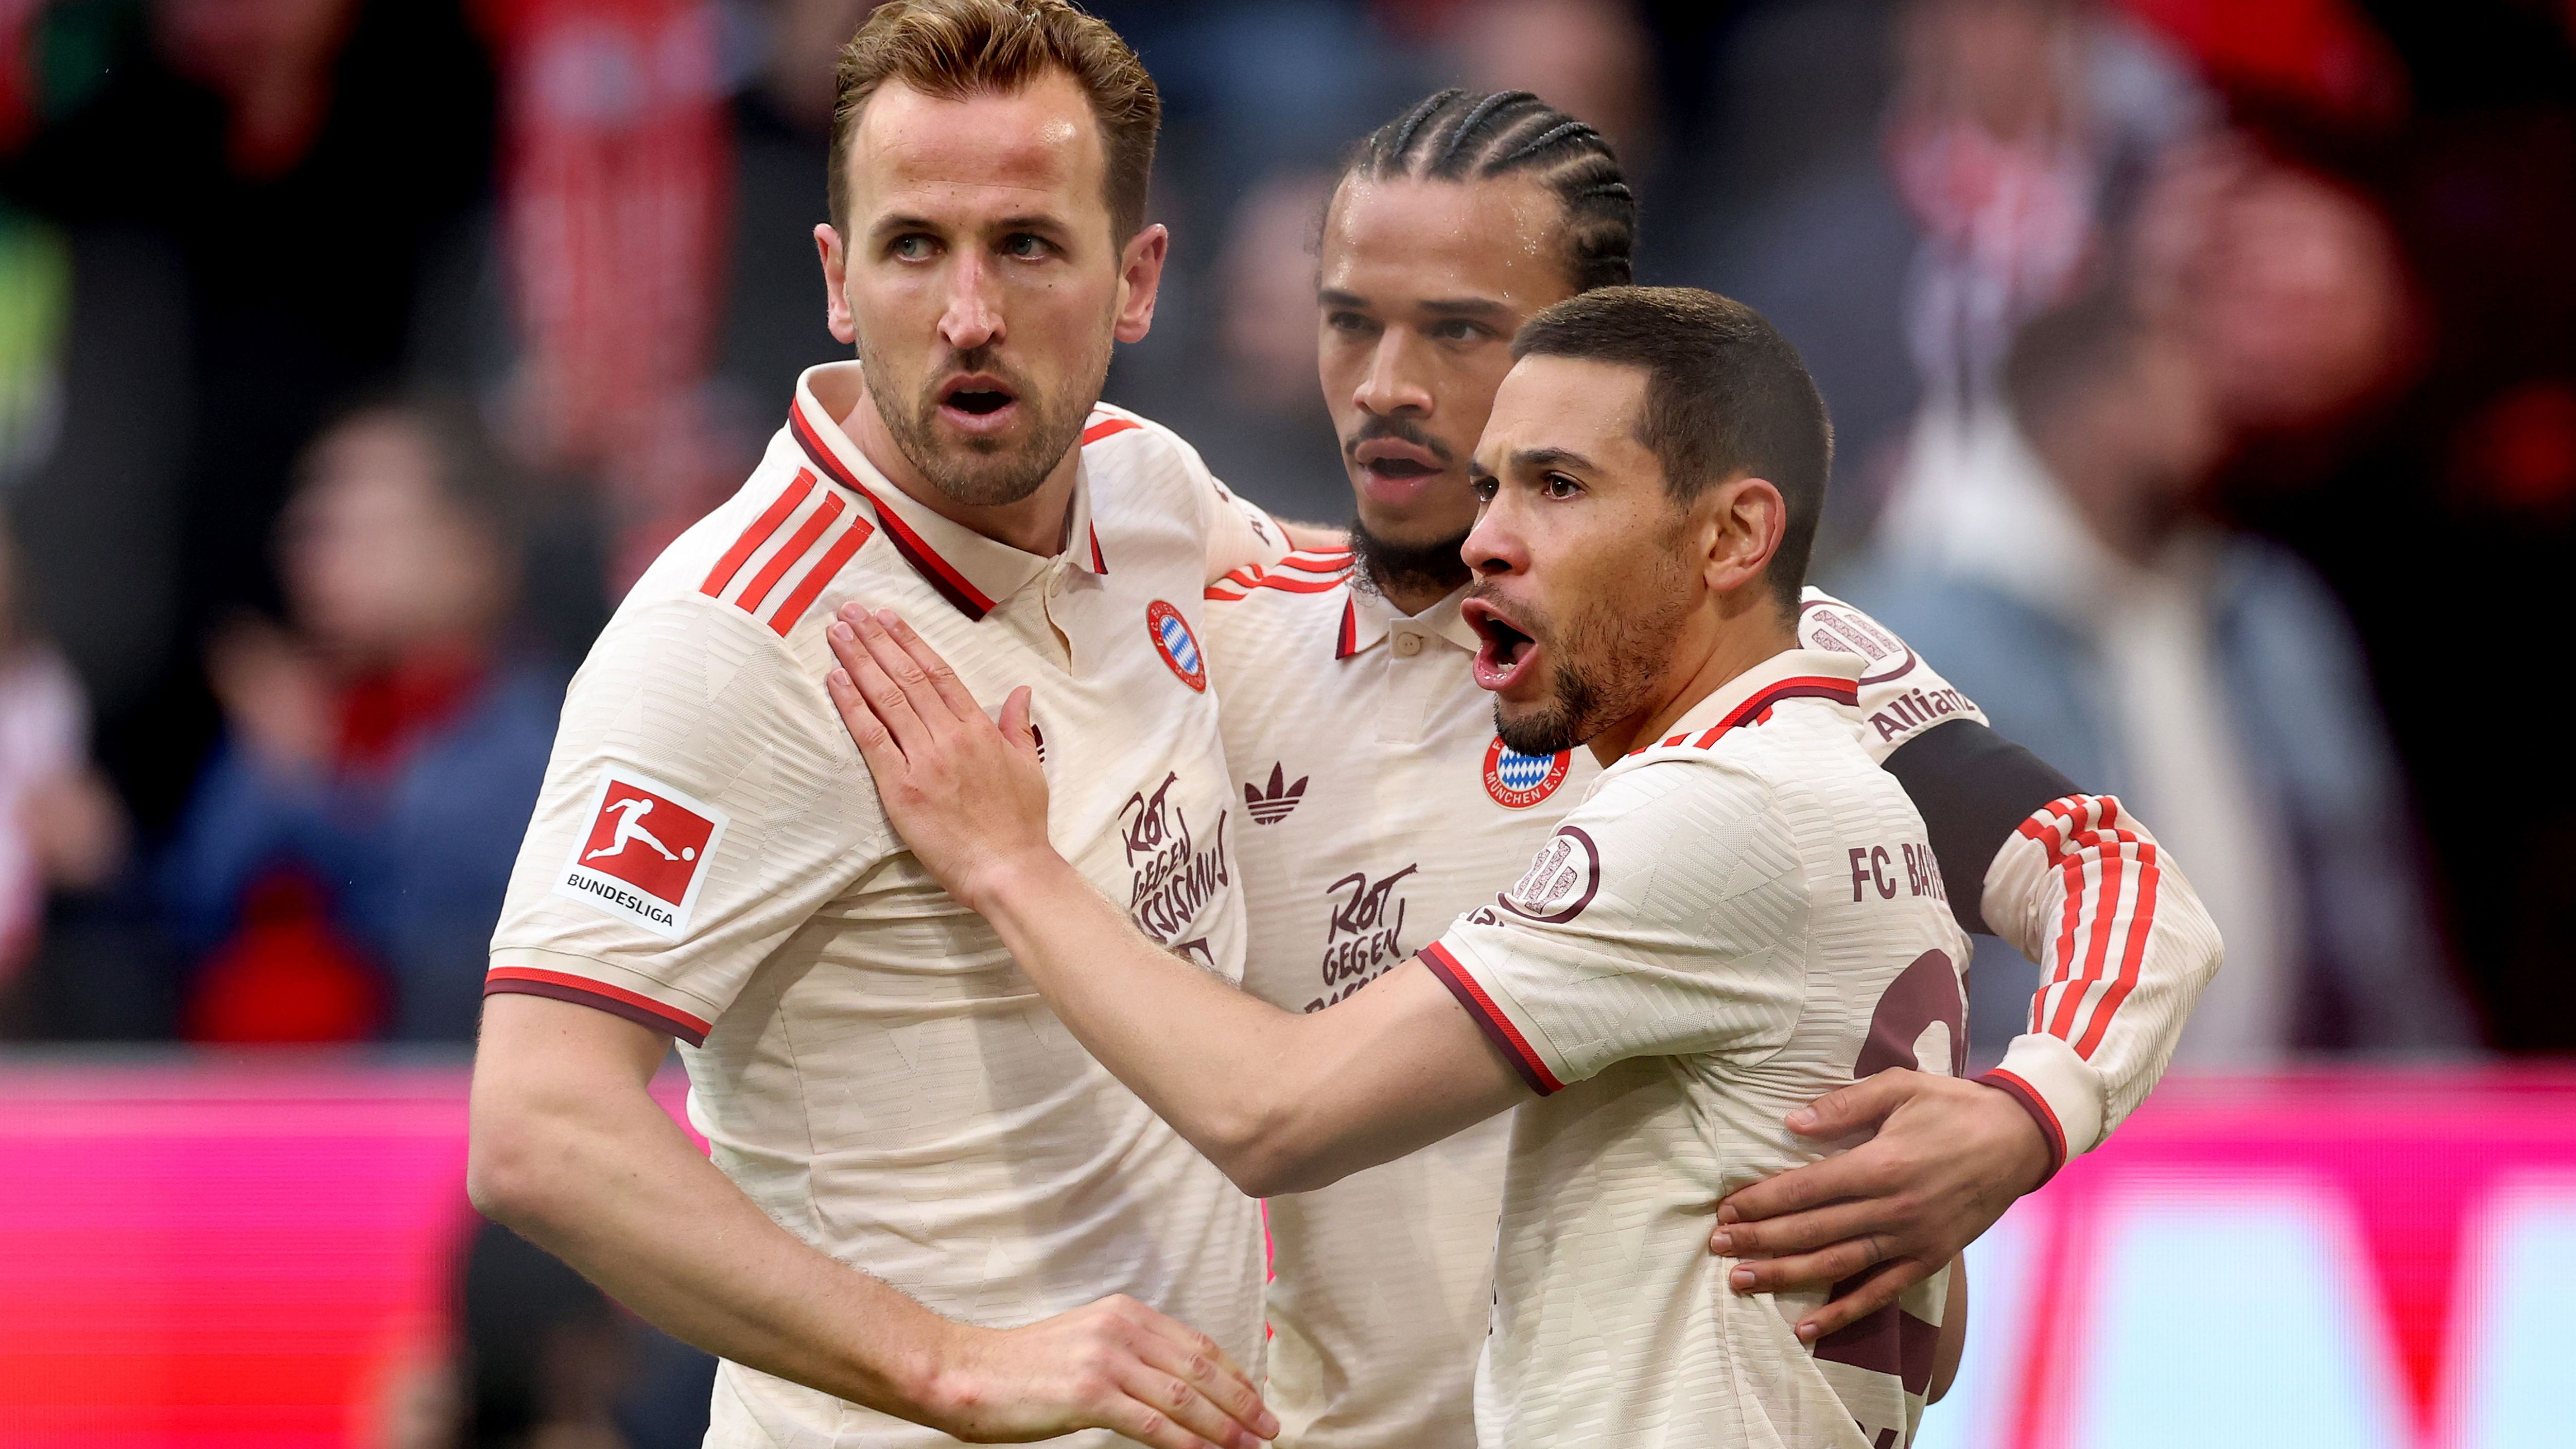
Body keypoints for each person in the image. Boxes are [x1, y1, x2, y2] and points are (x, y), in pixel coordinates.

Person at [822, 286, 2137, 1447]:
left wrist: (1005, 862)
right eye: (1494, 484)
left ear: (1733, 538)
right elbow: (1935, 1332)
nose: (1483, 541)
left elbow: (1269, 1117)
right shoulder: (1855, 797)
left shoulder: (1709, 817)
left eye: (1556, 489)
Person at [1197, 88, 2224, 1447]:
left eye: (1457, 328)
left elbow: (2119, 882)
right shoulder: (1220, 631)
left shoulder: (1776, 675)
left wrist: (2020, 1115)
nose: (1386, 380)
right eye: (1349, 320)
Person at [467, 4, 1296, 1446]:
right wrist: (950, 1364)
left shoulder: (1147, 486)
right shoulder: (730, 637)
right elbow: (539, 1128)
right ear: (839, 280)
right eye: (915, 246)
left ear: (1137, 279)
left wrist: (1794, 661)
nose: (967, 312)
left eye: (1027, 245)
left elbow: (1396, 633)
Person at [159, 397, 562, 1042]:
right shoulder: (304, 707)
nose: (319, 552)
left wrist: (311, 781)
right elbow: (190, 909)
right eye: (312, 524)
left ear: (474, 551)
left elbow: (431, 932)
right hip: (231, 1108)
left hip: (424, 1111)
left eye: (365, 526)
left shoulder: (531, 734)